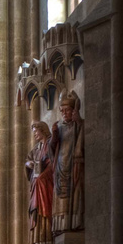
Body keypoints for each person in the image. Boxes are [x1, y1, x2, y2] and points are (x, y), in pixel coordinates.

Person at [50, 91, 85, 232]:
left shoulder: (79, 125)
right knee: (61, 197)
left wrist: (80, 122)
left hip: (73, 166)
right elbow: (52, 149)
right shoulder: (59, 128)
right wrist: (53, 136)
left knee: (74, 195)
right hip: (60, 167)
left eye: (68, 110)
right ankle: (61, 225)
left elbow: (85, 141)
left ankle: (73, 222)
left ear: (73, 111)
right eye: (62, 110)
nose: (64, 113)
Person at [25, 120, 54, 244]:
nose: (35, 135)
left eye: (36, 132)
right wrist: (28, 164)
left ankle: (47, 233)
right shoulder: (36, 149)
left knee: (40, 182)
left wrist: (43, 175)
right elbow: (28, 160)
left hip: (47, 179)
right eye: (34, 133)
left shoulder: (50, 144)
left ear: (43, 130)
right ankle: (38, 234)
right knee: (37, 184)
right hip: (37, 183)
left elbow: (54, 160)